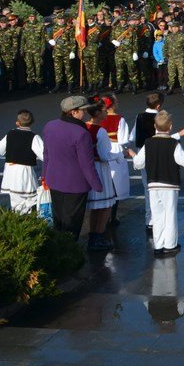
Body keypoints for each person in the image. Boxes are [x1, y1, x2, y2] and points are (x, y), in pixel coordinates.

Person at [130, 110, 184, 257]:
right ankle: (170, 244)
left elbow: (139, 163)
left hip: (153, 184)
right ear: (170, 127)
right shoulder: (173, 143)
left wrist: (133, 156)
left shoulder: (148, 143)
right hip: (170, 184)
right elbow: (183, 160)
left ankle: (158, 244)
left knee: (157, 214)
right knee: (170, 214)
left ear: (155, 126)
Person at [42, 95, 102, 241]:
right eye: (82, 110)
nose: (85, 113)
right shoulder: (81, 133)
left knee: (59, 219)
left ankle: (59, 249)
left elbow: (46, 155)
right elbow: (87, 164)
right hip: (75, 185)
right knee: (72, 224)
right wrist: (97, 185)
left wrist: (45, 176)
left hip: (54, 180)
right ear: (73, 112)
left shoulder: (49, 126)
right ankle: (69, 252)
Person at [0, 109, 44, 214]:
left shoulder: (10, 134)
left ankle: (17, 222)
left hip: (11, 173)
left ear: (17, 123)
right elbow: (44, 155)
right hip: (25, 173)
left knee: (15, 201)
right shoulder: (34, 137)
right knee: (30, 201)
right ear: (32, 122)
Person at [83, 97, 118, 251]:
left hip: (89, 167)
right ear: (97, 112)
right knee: (105, 205)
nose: (106, 113)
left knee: (95, 206)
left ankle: (93, 236)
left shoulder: (84, 127)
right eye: (104, 110)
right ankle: (98, 235)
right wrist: (119, 155)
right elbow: (104, 155)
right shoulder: (101, 131)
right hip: (100, 168)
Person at [129, 92, 163, 233]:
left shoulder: (139, 116)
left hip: (143, 154)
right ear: (159, 105)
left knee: (147, 187)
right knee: (159, 188)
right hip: (157, 154)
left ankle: (149, 220)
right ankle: (158, 218)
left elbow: (132, 136)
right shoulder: (160, 117)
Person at [99, 94, 131, 227]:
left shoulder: (98, 118)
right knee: (116, 185)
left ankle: (102, 216)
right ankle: (112, 217)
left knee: (104, 182)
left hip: (102, 148)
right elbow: (123, 139)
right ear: (113, 104)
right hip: (115, 149)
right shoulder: (119, 119)